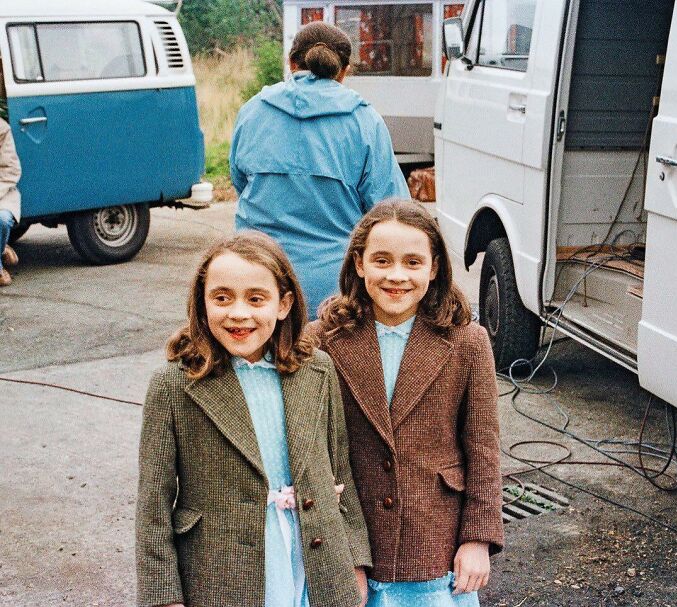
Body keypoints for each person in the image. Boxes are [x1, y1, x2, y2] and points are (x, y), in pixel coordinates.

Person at [135, 231, 372, 607]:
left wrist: (355, 562)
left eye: (256, 298)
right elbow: (153, 506)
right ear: (202, 302)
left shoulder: (317, 370)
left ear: (284, 304)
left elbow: (339, 470)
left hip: (312, 557)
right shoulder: (173, 384)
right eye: (222, 298)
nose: (239, 313)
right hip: (220, 571)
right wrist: (164, 596)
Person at [308, 199, 504, 607]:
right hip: (349, 540)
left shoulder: (468, 342)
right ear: (359, 265)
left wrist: (478, 538)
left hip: (434, 546)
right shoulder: (320, 342)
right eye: (382, 261)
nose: (396, 276)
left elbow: (483, 450)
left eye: (413, 263)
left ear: (434, 269)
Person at [229, 22, 409, 319]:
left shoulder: (252, 111)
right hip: (333, 293)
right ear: (344, 71)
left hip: (252, 279)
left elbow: (240, 182)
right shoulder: (365, 121)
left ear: (291, 63)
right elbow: (391, 211)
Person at [0, 117, 21, 287]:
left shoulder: (2, 128)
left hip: (2, 191)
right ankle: (2, 246)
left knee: (2, 219)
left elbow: (11, 170)